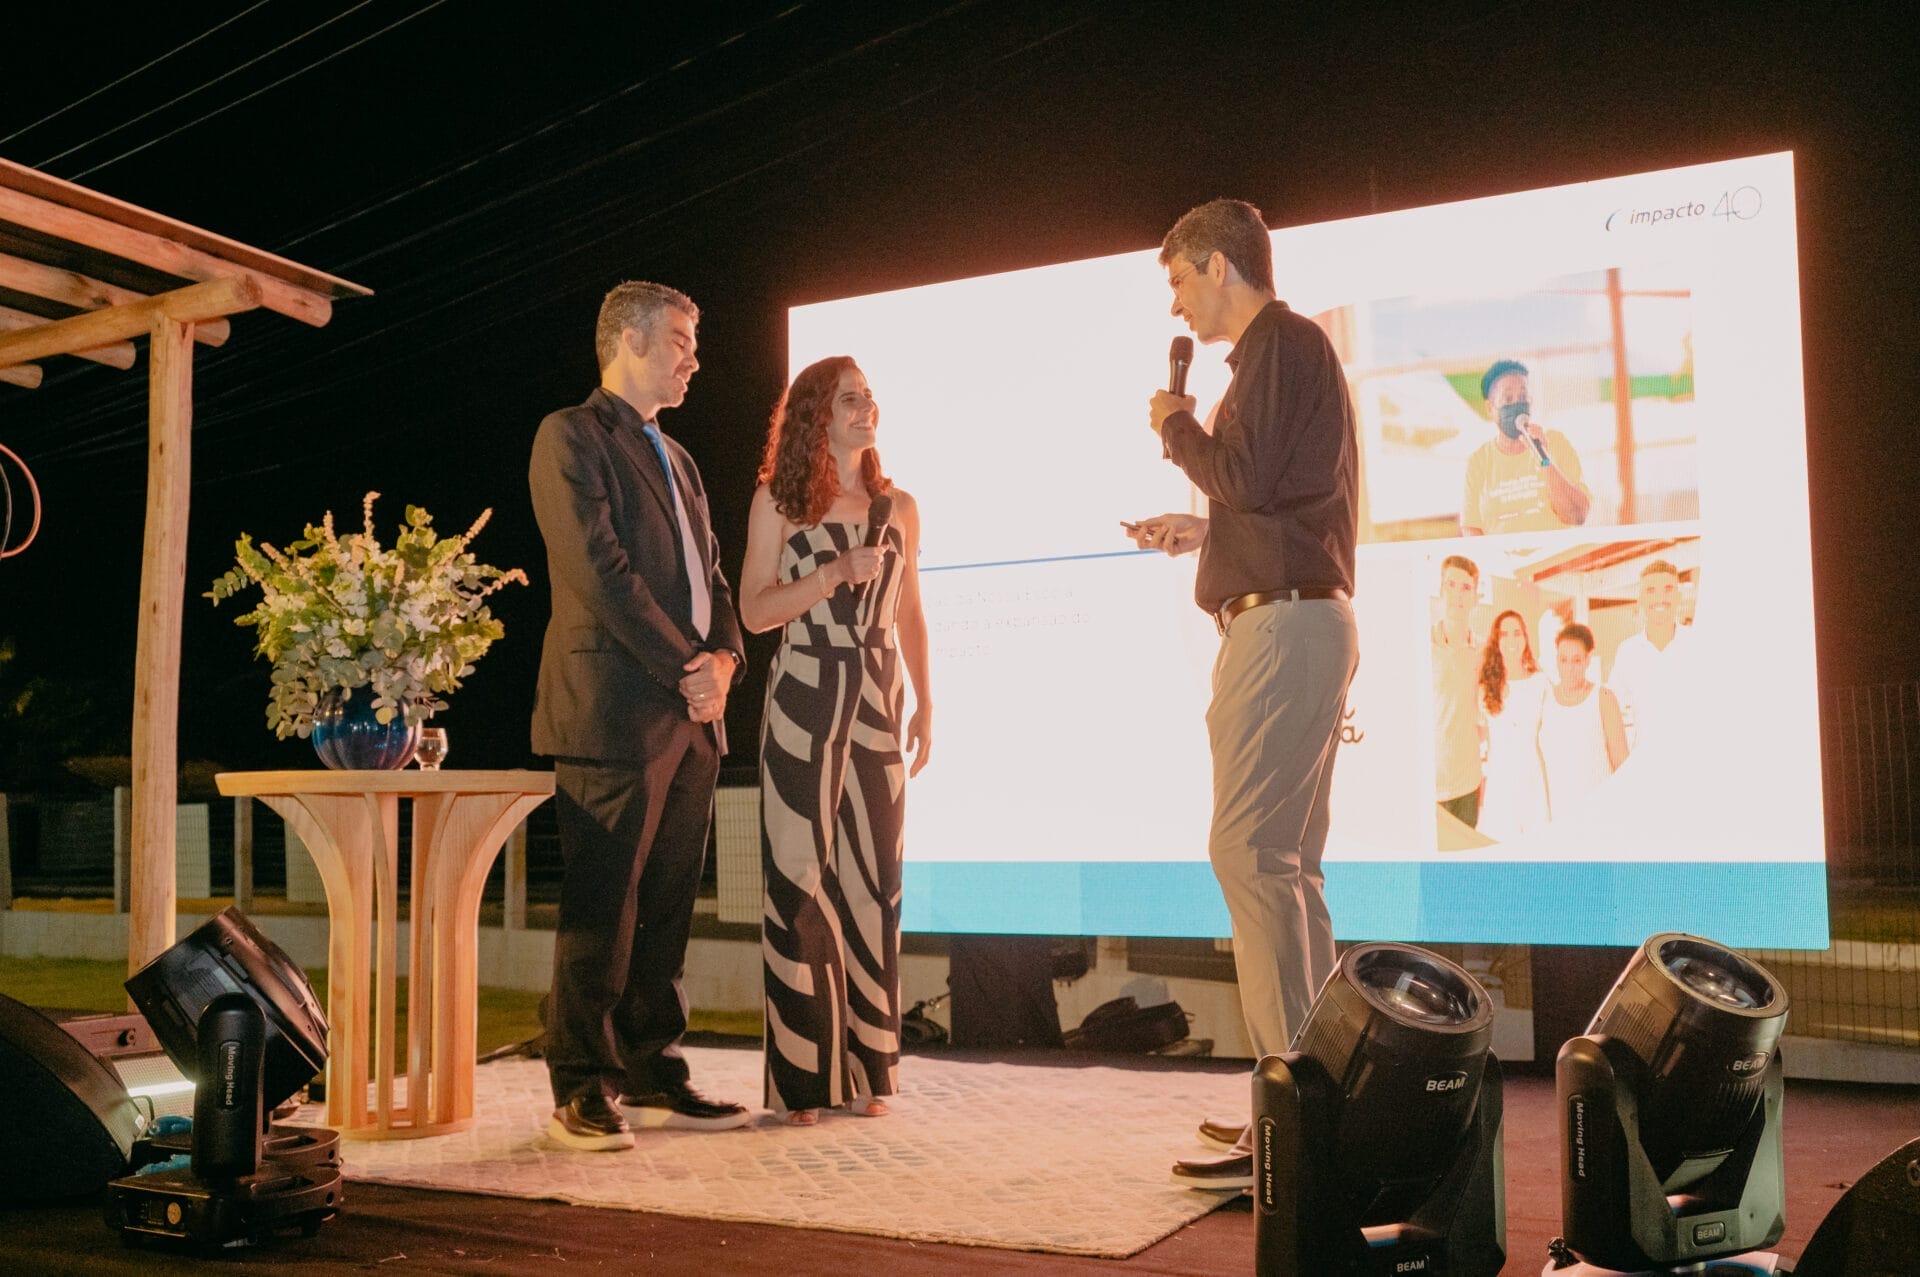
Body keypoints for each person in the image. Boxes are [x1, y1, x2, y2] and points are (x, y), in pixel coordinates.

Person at [1125, 198, 1359, 1191]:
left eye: (1179, 280)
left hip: (1283, 626)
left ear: (1221, 265)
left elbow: (1248, 474)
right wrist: (1206, 536)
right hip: (1303, 614)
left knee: (1248, 852)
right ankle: (1314, 1106)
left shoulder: (1276, 342)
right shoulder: (1291, 350)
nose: (1177, 305)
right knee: (1285, 864)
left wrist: (1178, 428)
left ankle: (1295, 1120)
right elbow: (1275, 496)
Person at [528, 281, 752, 1152]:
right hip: (614, 713)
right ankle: (581, 1086)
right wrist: (685, 667)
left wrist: (725, 662)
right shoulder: (570, 436)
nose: (695, 357)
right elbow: (599, 568)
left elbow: (716, 582)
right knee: (602, 905)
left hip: (693, 714)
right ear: (626, 338)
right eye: (681, 340)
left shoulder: (683, 459)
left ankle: (655, 1066)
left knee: (667, 907)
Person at [738, 356, 932, 1126]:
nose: (868, 407)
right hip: (804, 693)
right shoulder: (779, 502)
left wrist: (928, 699)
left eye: (871, 397)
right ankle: (802, 1079)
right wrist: (830, 576)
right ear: (818, 413)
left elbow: (912, 610)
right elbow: (754, 610)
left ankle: (870, 1065)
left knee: (876, 881)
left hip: (881, 694)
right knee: (797, 875)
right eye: (852, 398)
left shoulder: (900, 506)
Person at [1461, 359, 1591, 536]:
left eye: (1523, 398)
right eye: (1508, 399)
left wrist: (1545, 458)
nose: (1517, 404)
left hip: (1557, 560)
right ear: (1491, 409)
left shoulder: (1555, 442)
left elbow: (1577, 516)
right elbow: (1471, 528)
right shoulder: (1478, 461)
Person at [1537, 623, 1628, 823]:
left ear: (1588, 659)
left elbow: (1622, 764)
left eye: (1577, 660)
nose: (1569, 668)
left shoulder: (1603, 698)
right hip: (1558, 815)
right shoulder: (1545, 699)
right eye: (1563, 660)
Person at [1475, 609, 1549, 840]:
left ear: (1525, 638)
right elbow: (1481, 738)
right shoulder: (1485, 688)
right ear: (1496, 641)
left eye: (1517, 633)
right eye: (1504, 634)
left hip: (1532, 778)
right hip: (1500, 781)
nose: (1511, 640)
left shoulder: (1540, 682)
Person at [1604, 559, 1693, 750]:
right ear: (1641, 600)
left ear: (1679, 596)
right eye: (1651, 591)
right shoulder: (1628, 652)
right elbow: (1609, 710)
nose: (1660, 599)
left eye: (1668, 589)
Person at [1433, 555, 1483, 830]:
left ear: (1476, 596)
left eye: (1466, 588)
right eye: (1451, 585)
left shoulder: (1484, 651)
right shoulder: (1423, 645)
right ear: (1440, 591)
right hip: (1432, 785)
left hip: (1468, 783)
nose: (1457, 594)